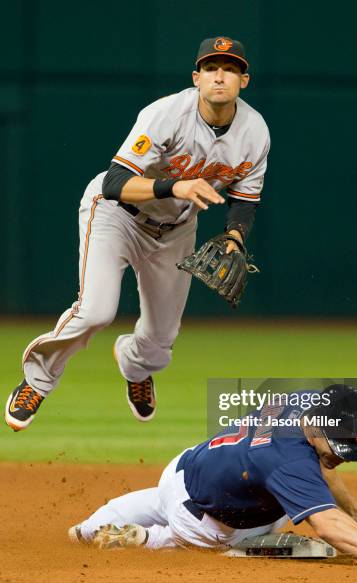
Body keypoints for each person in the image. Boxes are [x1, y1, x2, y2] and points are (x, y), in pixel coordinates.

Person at [5, 36, 269, 431]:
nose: (220, 77)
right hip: (117, 215)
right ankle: (37, 381)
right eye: (212, 68)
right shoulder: (166, 114)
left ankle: (134, 365)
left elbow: (245, 198)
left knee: (161, 339)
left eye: (231, 70)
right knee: (95, 311)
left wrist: (234, 237)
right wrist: (174, 187)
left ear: (243, 81)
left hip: (176, 228)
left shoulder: (255, 132)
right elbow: (114, 182)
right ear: (197, 77)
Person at [68, 385, 357, 565]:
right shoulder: (289, 461)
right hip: (211, 524)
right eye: (339, 446)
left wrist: (354, 508)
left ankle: (89, 528)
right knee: (226, 544)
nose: (344, 457)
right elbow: (328, 527)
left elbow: (324, 466)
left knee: (117, 517)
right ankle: (150, 539)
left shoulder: (303, 401)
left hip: (185, 469)